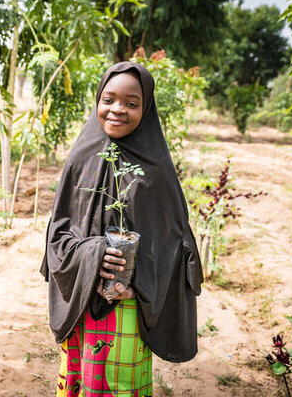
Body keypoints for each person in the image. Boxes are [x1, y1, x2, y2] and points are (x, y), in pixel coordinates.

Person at [40, 61, 203, 397]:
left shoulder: (156, 170)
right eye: (109, 99)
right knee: (80, 380)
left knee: (118, 387)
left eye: (132, 103)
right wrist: (91, 256)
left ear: (146, 109)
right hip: (82, 297)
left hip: (128, 305)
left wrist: (139, 284)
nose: (117, 110)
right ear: (98, 100)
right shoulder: (80, 158)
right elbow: (56, 234)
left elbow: (175, 245)